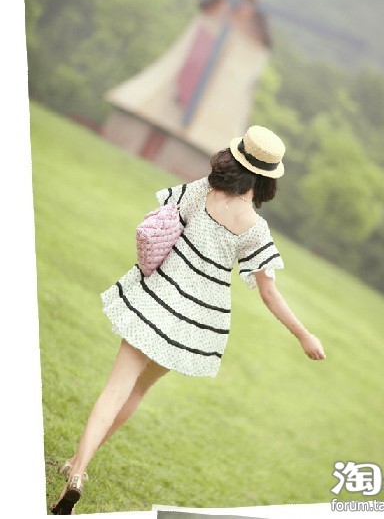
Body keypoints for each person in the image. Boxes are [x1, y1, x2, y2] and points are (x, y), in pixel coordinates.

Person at [51, 125, 326, 515]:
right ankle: (79, 464)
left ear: (237, 157)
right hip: (194, 322)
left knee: (115, 389)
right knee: (137, 392)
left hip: (158, 299)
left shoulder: (203, 190)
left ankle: (77, 471)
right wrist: (304, 334)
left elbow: (162, 221)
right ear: (269, 177)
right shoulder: (255, 229)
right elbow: (269, 292)